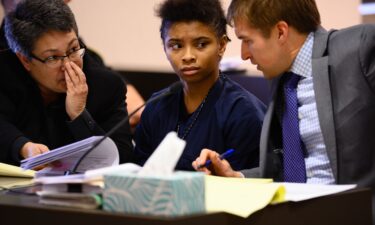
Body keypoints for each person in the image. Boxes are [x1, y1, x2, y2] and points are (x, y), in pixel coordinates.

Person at [192, 0, 375, 222]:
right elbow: (291, 169)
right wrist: (236, 176)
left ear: (280, 32)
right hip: (294, 215)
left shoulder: (360, 47)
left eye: (247, 41)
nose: (243, 55)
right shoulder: (283, 80)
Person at [134, 0, 266, 171]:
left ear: (222, 45)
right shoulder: (155, 106)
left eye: (201, 44)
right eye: (176, 46)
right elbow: (138, 174)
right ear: (165, 48)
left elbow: (250, 183)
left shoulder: (243, 112)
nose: (188, 56)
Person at [0, 0, 134, 166]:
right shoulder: (5, 75)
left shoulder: (106, 86)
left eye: (73, 50)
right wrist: (22, 146)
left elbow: (122, 158)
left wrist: (79, 116)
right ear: (25, 60)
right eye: (53, 58)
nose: (68, 65)